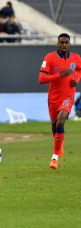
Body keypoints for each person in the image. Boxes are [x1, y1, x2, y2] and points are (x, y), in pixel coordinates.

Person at [39, 33, 81, 169]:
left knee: (61, 121)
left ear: (69, 44)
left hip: (68, 95)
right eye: (61, 42)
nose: (64, 45)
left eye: (66, 42)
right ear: (58, 44)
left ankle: (54, 158)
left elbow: (79, 70)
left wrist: (76, 80)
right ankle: (59, 146)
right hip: (53, 98)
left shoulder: (76, 58)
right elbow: (41, 79)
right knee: (55, 125)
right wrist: (60, 75)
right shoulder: (49, 58)